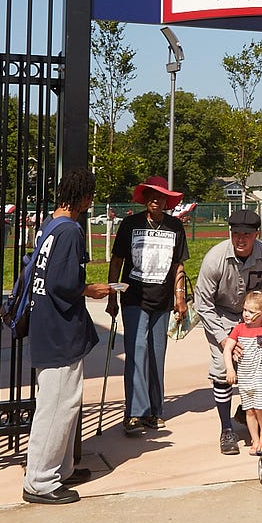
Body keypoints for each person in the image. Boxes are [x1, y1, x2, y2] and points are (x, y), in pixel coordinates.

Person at [22, 168, 114, 505]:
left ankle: (60, 468)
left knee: (62, 402)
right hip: (60, 330)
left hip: (46, 324)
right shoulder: (72, 231)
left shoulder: (49, 225)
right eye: (90, 195)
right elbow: (64, 284)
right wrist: (93, 289)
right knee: (57, 405)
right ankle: (40, 481)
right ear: (84, 196)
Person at [106, 176, 189, 435]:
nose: (156, 200)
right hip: (133, 298)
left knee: (156, 355)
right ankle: (134, 412)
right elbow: (117, 261)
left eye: (161, 196)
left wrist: (180, 297)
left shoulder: (175, 226)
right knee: (137, 352)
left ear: (167, 200)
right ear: (143, 198)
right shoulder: (130, 224)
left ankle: (155, 410)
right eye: (151, 195)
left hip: (162, 301)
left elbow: (179, 265)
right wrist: (111, 295)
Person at [195, 209, 262, 455]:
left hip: (255, 315)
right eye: (235, 234)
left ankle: (250, 413)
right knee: (224, 370)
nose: (240, 239)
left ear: (257, 234)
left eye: (246, 234)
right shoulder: (215, 259)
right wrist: (224, 339)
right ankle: (226, 429)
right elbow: (203, 304)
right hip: (221, 314)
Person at [222, 290, 262, 456]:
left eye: (251, 312)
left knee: (260, 408)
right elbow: (228, 348)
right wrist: (230, 368)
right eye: (245, 310)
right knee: (249, 409)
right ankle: (254, 439)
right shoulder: (239, 329)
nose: (246, 314)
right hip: (245, 375)